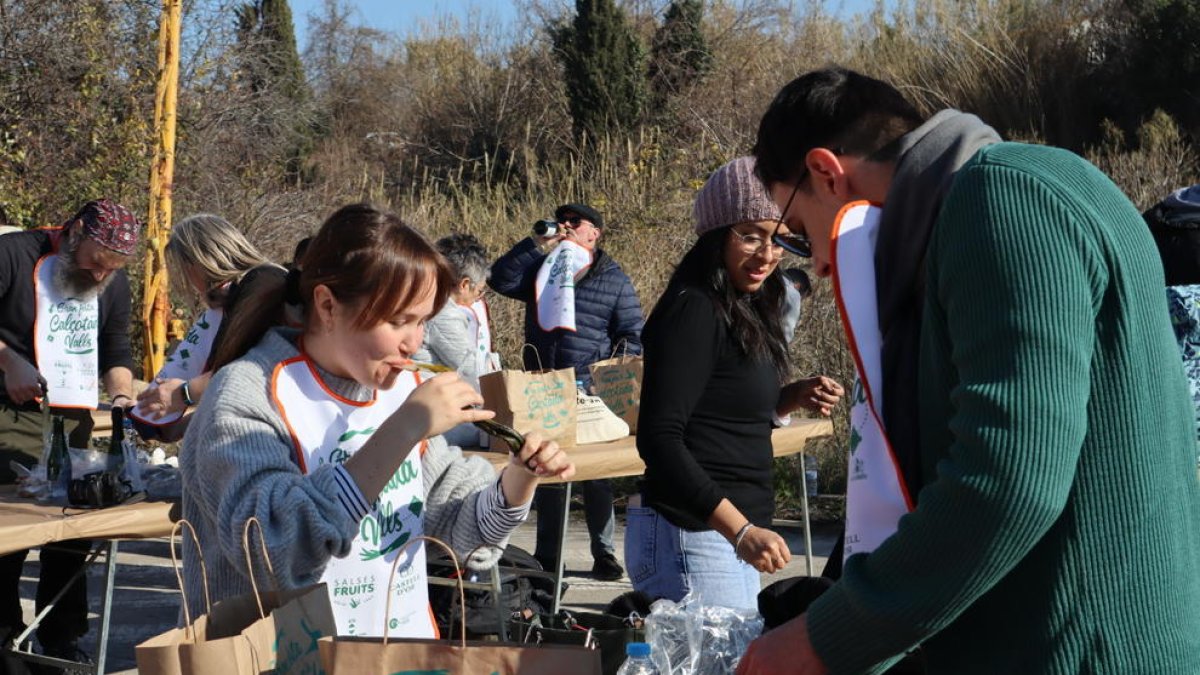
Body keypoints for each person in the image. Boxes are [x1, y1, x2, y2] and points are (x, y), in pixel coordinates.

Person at [737, 67, 1200, 674]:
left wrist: (824, 639)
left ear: (825, 171)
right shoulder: (982, 213)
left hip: (1075, 651)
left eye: (797, 233)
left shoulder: (1005, 198)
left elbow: (1010, 476)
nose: (818, 266)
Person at [178, 203, 574, 638]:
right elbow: (278, 553)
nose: (414, 342)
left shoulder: (398, 389)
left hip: (396, 652)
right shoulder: (247, 394)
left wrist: (520, 478)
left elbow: (463, 536)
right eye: (398, 320)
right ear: (327, 305)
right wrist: (404, 430)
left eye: (423, 321)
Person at [630, 157, 842, 610]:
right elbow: (660, 438)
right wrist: (740, 530)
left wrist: (789, 397)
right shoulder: (694, 309)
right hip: (695, 534)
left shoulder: (747, 307)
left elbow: (719, 411)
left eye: (778, 238)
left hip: (729, 535)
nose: (767, 254)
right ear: (714, 236)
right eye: (749, 236)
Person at [0, 199, 140, 666]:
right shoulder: (15, 254)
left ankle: (60, 636)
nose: (102, 276)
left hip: (73, 414)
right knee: (14, 525)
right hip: (10, 408)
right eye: (97, 263)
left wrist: (122, 394)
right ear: (76, 232)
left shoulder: (112, 281)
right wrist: (9, 361)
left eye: (113, 269)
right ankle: (3, 634)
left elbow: (116, 346)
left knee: (73, 528)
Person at [489, 203, 644, 581]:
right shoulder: (545, 270)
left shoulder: (613, 278)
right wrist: (535, 244)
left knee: (597, 477)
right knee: (547, 469)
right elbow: (498, 278)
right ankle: (547, 555)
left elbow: (632, 333)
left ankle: (604, 553)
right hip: (543, 385)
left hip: (588, 387)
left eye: (576, 222)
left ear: (595, 233)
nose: (567, 227)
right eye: (563, 221)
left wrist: (607, 374)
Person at [131, 213, 273, 441]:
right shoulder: (233, 299)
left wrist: (185, 393)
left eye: (186, 269)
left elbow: (256, 369)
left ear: (197, 262)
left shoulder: (264, 286)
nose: (189, 281)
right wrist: (174, 425)